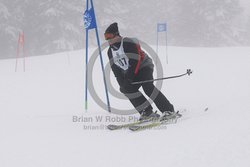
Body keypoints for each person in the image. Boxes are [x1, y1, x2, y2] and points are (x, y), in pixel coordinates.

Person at [104, 22, 175, 120]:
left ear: (117, 34)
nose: (108, 40)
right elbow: (115, 70)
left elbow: (135, 62)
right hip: (131, 72)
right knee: (126, 89)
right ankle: (147, 112)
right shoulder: (110, 52)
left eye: (110, 36)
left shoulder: (128, 43)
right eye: (106, 38)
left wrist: (129, 78)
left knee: (148, 87)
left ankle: (168, 110)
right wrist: (123, 84)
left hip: (143, 67)